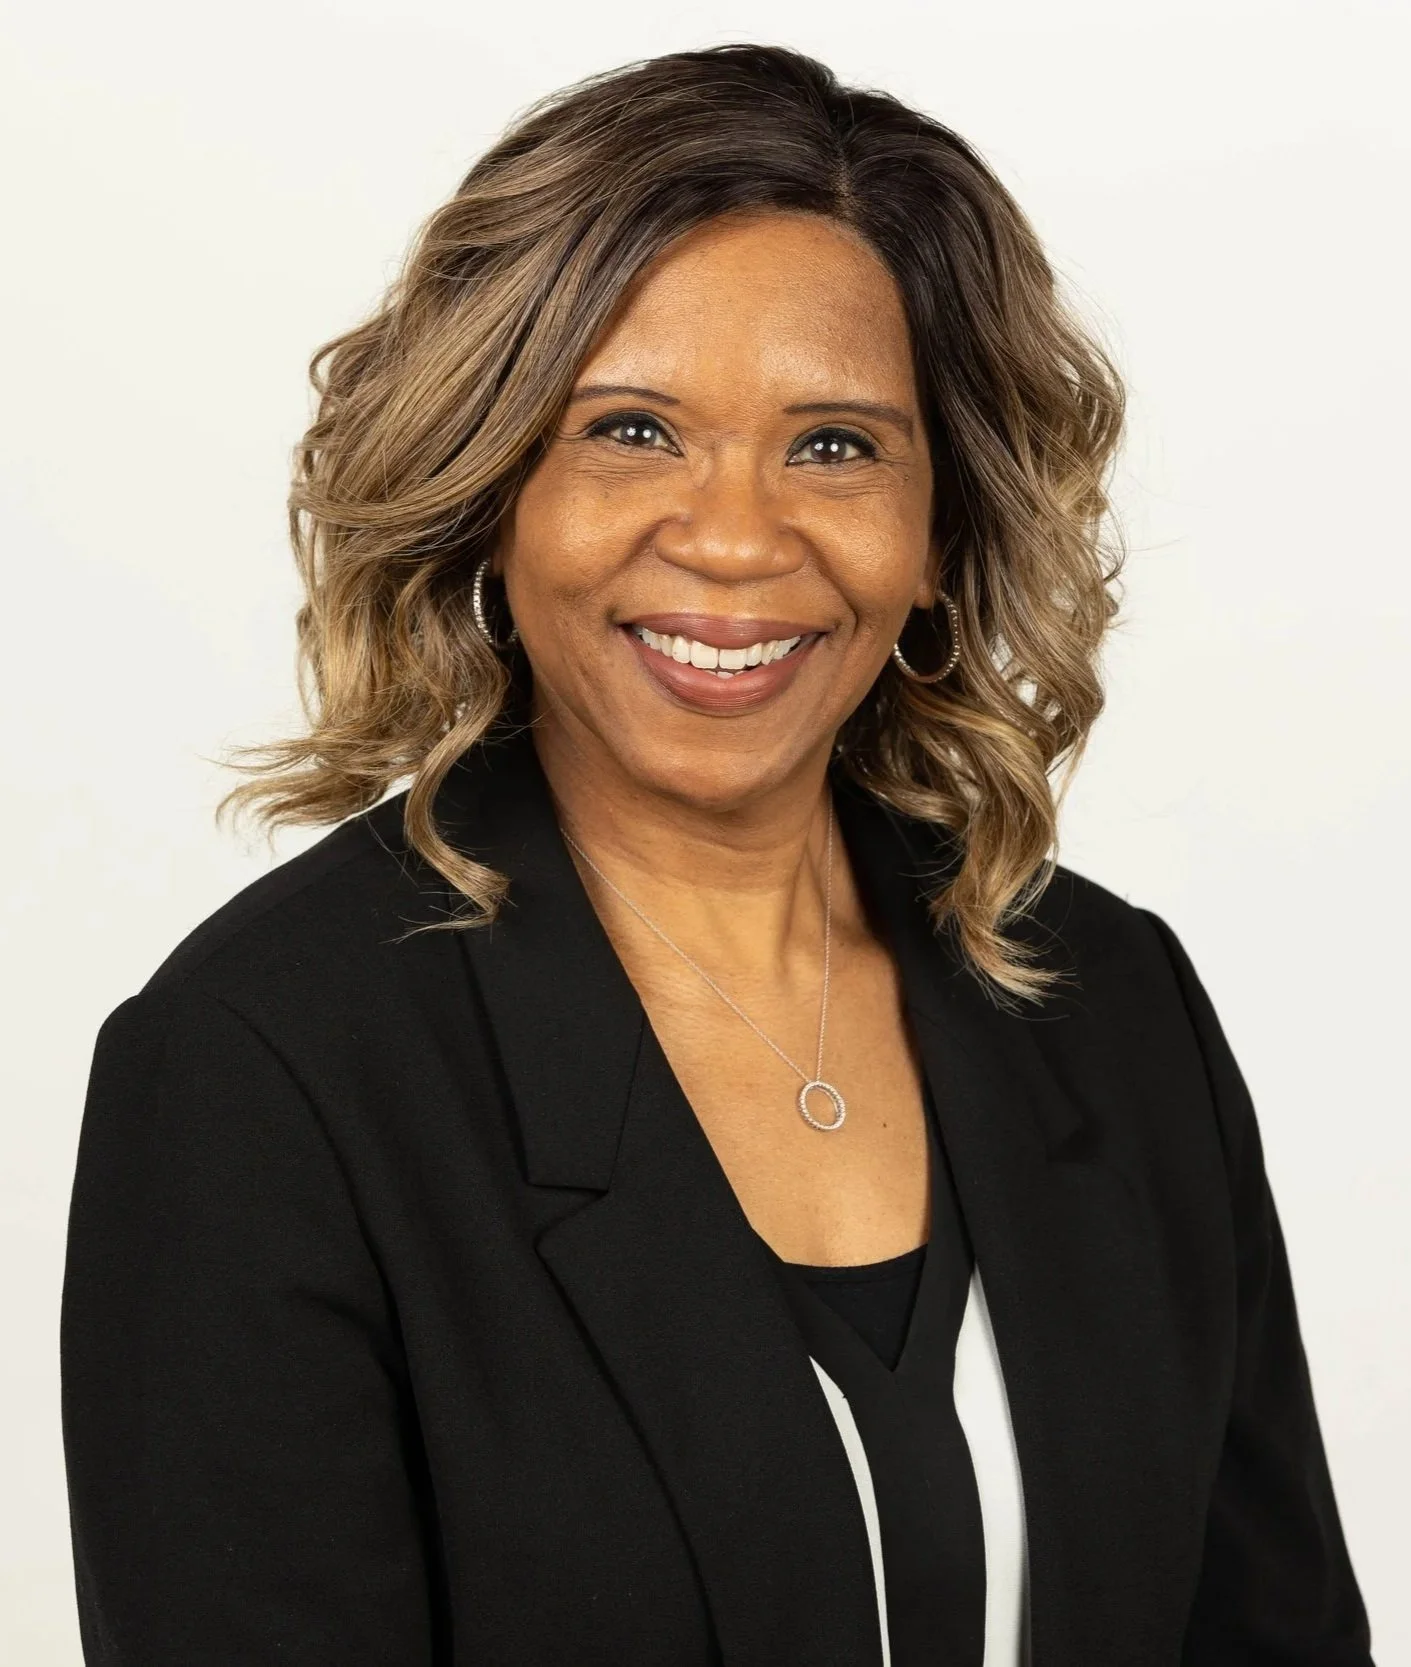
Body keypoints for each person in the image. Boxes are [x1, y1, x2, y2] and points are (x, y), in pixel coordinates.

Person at [59, 42, 1373, 1667]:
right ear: (489, 493)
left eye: (835, 444)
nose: (737, 537)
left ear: (940, 529)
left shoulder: (1113, 1005)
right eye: (629, 429)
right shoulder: (264, 1069)